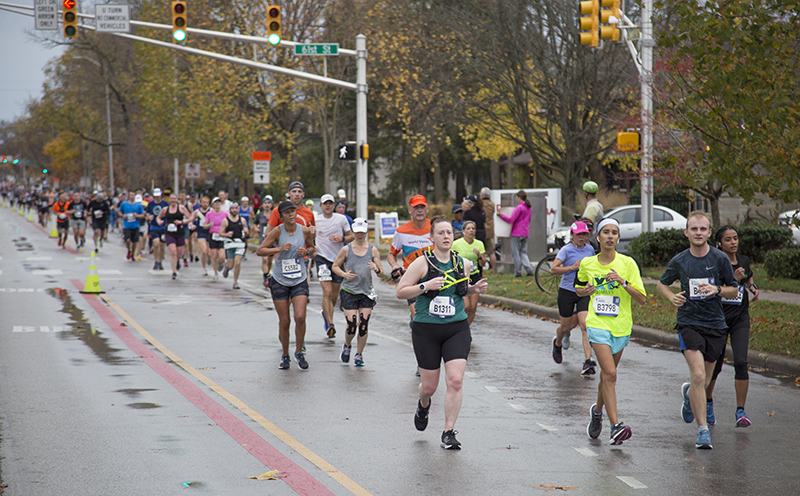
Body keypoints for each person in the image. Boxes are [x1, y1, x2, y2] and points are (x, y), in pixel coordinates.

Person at [396, 217, 488, 450]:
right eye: (441, 233)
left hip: (456, 327)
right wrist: (425, 286)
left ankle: (448, 431)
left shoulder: (463, 264)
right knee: (429, 387)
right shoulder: (422, 263)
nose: (446, 236)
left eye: (449, 232)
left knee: (455, 381)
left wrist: (474, 288)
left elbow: (461, 288)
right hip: (426, 329)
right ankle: (423, 403)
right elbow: (401, 292)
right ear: (432, 237)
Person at [657, 211, 738, 450]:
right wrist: (672, 297)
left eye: (703, 229)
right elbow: (662, 283)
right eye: (694, 229)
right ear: (686, 232)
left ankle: (689, 394)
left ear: (709, 232)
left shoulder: (720, 258)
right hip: (689, 322)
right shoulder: (680, 260)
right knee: (699, 375)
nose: (699, 233)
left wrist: (717, 290)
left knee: (704, 380)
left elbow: (734, 290)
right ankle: (703, 431)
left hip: (715, 324)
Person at [576, 217, 646, 445]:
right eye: (605, 232)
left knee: (608, 376)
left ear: (618, 238)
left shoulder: (628, 264)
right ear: (597, 237)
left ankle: (597, 412)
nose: (609, 236)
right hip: (597, 324)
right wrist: (584, 291)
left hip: (621, 326)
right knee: (611, 374)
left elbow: (643, 298)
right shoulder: (587, 263)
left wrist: (623, 282)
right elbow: (578, 288)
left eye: (614, 233)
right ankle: (615, 426)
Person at [705, 226, 759, 428]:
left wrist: (751, 286)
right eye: (728, 239)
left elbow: (749, 275)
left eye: (735, 238)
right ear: (719, 243)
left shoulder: (743, 260)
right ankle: (708, 403)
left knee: (741, 362)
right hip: (718, 319)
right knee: (715, 365)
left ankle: (740, 411)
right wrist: (733, 281)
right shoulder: (715, 262)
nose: (733, 242)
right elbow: (711, 288)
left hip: (739, 319)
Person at [256, 201, 316, 370]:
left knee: (300, 317)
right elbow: (260, 250)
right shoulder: (277, 231)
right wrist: (279, 249)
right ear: (281, 216)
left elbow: (312, 248)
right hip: (280, 279)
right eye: (287, 213)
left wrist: (306, 252)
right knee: (284, 321)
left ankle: (299, 352)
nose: (291, 215)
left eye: (293, 212)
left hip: (299, 278)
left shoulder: (303, 230)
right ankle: (285, 355)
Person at [331, 217, 383, 367]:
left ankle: (359, 354)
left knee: (364, 324)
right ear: (353, 232)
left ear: (366, 232)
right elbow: (335, 266)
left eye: (363, 232)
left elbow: (381, 273)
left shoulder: (373, 250)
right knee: (352, 324)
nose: (360, 235)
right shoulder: (346, 249)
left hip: (366, 292)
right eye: (357, 232)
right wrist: (344, 275)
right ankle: (347, 345)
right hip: (349, 290)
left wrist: (376, 269)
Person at [550, 221, 597, 376]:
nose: (582, 237)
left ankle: (588, 361)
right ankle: (557, 343)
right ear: (572, 235)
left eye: (584, 234)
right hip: (567, 292)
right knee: (565, 327)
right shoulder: (566, 250)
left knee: (585, 325)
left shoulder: (590, 249)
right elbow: (553, 270)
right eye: (579, 235)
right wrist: (572, 267)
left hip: (583, 291)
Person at [388, 195, 433, 321]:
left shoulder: (435, 228)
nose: (419, 210)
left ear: (427, 209)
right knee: (418, 316)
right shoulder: (401, 231)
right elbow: (391, 254)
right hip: (412, 279)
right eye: (416, 208)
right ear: (410, 211)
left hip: (434, 277)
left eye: (422, 207)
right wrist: (395, 266)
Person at [315, 193, 354, 338]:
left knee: (334, 295)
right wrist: (311, 247)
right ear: (321, 206)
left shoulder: (341, 219)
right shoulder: (316, 219)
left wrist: (341, 238)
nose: (328, 206)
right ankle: (330, 324)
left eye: (330, 203)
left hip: (337, 260)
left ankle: (326, 312)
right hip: (322, 259)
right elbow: (308, 235)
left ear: (334, 206)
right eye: (325, 203)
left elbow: (351, 236)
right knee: (327, 291)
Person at [451, 220, 485, 325]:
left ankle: (466, 328)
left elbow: (483, 263)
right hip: (462, 276)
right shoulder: (456, 244)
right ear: (463, 231)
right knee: (466, 306)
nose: (471, 231)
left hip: (474, 276)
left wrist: (479, 255)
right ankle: (461, 327)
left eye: (473, 229)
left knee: (473, 307)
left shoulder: (479, 244)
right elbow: (450, 259)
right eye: (468, 229)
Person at [498, 190, 534, 277]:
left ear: (519, 198)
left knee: (516, 253)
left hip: (517, 233)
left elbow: (511, 220)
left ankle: (518, 272)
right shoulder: (529, 208)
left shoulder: (519, 208)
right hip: (525, 233)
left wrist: (501, 215)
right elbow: (529, 220)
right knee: (523, 253)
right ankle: (529, 270)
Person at [157, 193, 192, 280]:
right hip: (169, 233)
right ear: (169, 200)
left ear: (177, 200)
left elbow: (190, 218)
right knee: (173, 252)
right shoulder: (165, 209)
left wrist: (182, 222)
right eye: (171, 199)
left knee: (179, 254)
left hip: (180, 232)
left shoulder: (181, 208)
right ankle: (174, 272)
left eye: (174, 199)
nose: (173, 200)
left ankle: (177, 262)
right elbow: (158, 217)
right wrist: (159, 222)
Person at [219, 202, 249, 289]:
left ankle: (235, 282)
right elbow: (220, 233)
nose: (234, 210)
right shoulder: (226, 221)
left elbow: (246, 231)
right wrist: (227, 234)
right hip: (230, 244)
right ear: (230, 210)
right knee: (230, 265)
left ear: (238, 210)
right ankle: (227, 268)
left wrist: (246, 231)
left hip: (240, 244)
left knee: (238, 262)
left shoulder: (242, 220)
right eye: (233, 208)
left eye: (236, 208)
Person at [204, 197, 229, 280]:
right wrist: (208, 225)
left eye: (219, 203)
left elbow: (229, 223)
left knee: (222, 256)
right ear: (213, 204)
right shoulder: (209, 214)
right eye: (215, 203)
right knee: (214, 255)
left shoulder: (225, 214)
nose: (217, 205)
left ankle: (221, 263)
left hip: (222, 236)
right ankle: (215, 273)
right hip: (213, 236)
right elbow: (204, 225)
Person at [146, 189, 169, 270]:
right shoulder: (151, 203)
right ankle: (156, 261)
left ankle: (160, 261)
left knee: (162, 246)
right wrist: (149, 217)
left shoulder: (165, 204)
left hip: (163, 226)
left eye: (158, 195)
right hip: (154, 226)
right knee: (156, 243)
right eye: (156, 195)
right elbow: (147, 213)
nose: (157, 197)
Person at [118, 191, 145, 260]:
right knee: (128, 240)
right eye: (130, 195)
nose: (132, 197)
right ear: (128, 196)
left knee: (135, 241)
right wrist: (123, 215)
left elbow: (142, 215)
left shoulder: (138, 205)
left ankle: (133, 253)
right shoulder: (124, 204)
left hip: (135, 225)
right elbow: (120, 212)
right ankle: (129, 250)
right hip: (127, 226)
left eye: (133, 195)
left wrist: (136, 215)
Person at [255, 194, 274, 287]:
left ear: (271, 204)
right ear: (262, 205)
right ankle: (265, 276)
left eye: (269, 203)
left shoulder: (274, 215)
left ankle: (268, 274)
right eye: (265, 203)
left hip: (272, 239)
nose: (267, 205)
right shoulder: (259, 215)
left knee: (269, 260)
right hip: (263, 239)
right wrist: (256, 228)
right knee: (264, 259)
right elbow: (254, 224)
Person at [191, 197, 212, 276]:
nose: (205, 204)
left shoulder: (211, 211)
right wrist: (192, 225)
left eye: (207, 202)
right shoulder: (197, 212)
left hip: (209, 232)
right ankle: (204, 268)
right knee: (204, 251)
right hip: (201, 232)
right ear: (200, 203)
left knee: (209, 253)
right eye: (204, 202)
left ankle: (209, 258)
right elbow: (191, 220)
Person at [480, 187, 497, 272]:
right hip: (490, 231)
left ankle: (481, 268)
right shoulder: (492, 204)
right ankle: (494, 269)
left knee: (480, 251)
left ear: (481, 195)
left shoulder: (480, 204)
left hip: (481, 230)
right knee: (491, 252)